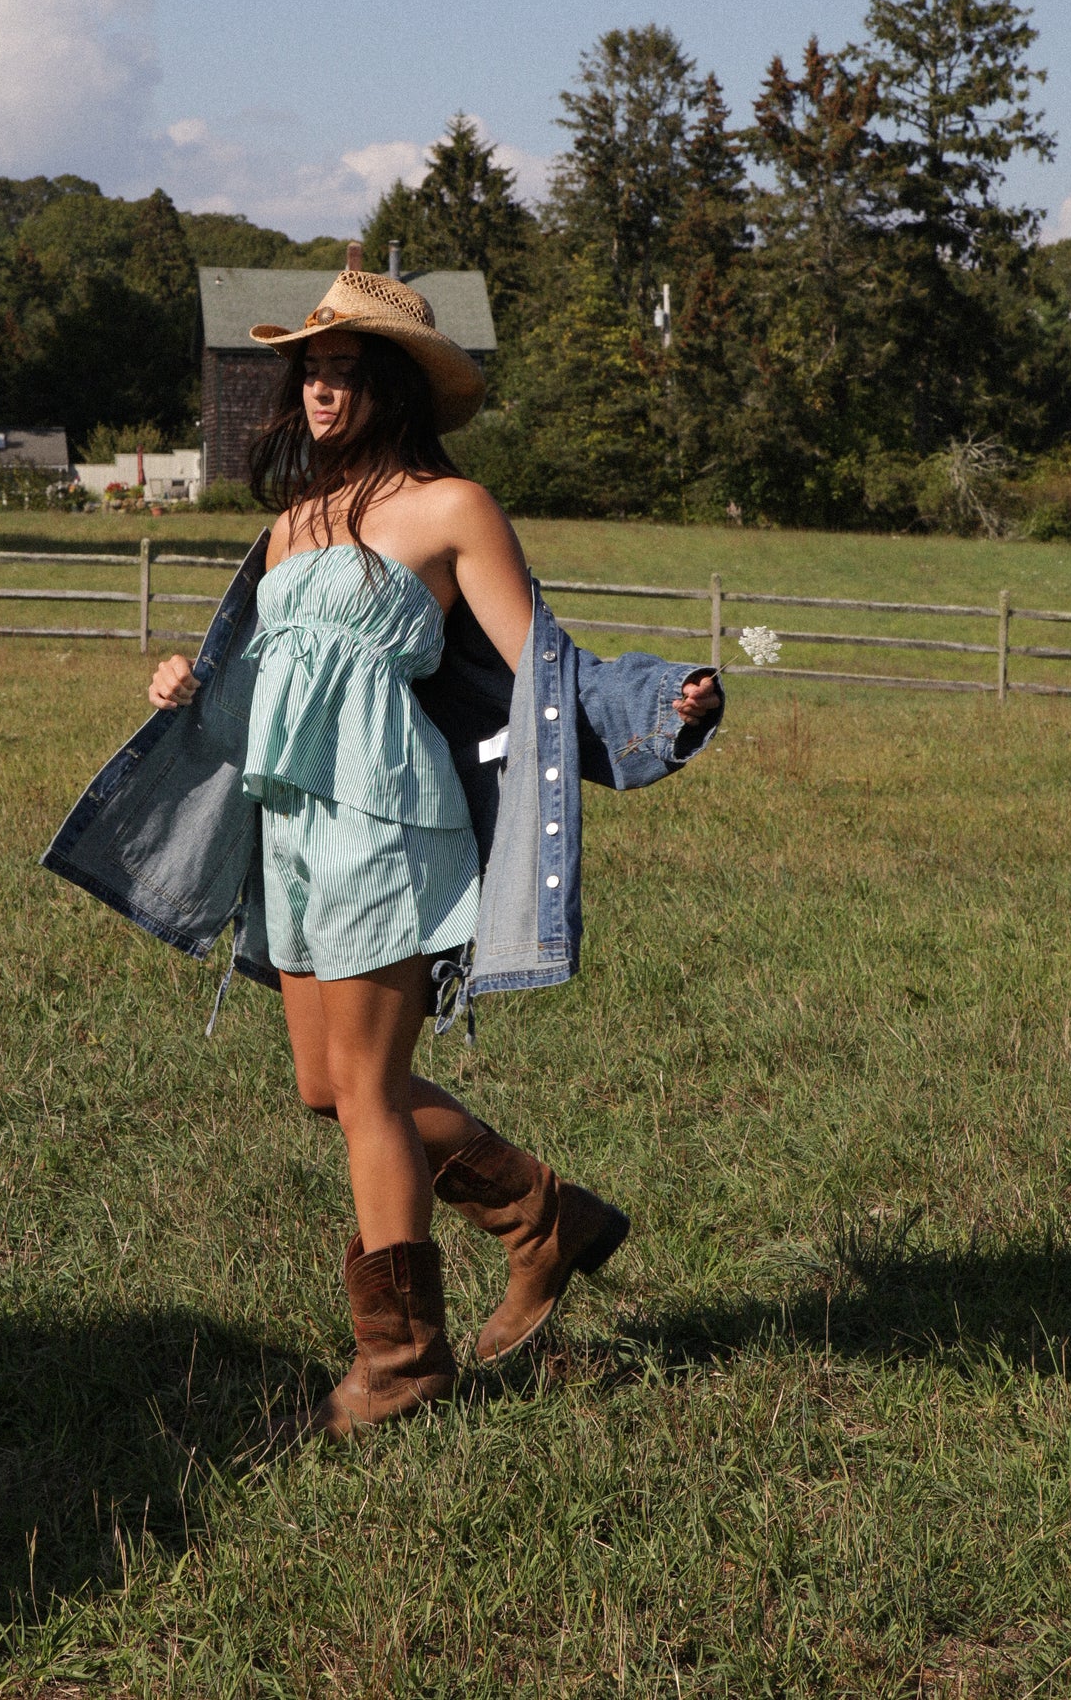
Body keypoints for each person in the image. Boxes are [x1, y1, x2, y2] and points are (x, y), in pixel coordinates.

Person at [142, 264, 721, 1441]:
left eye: (347, 370)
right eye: (311, 366)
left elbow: (542, 665)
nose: (320, 387)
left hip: (386, 826)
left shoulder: (453, 509)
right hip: (290, 824)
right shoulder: (291, 523)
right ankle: (539, 1217)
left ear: (395, 385)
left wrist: (662, 698)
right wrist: (192, 680)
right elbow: (274, 678)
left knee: (364, 1091)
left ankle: (399, 1362)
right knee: (330, 1087)